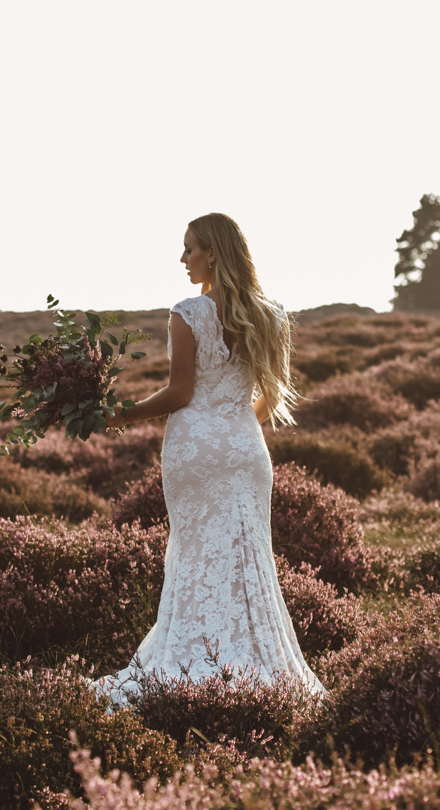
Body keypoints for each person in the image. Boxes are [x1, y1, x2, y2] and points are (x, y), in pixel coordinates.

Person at [95, 213, 325, 704]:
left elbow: (180, 392)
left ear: (213, 253)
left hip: (195, 449)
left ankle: (192, 671)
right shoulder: (273, 315)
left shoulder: (188, 311)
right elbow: (269, 398)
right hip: (245, 448)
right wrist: (235, 424)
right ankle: (261, 676)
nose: (183, 259)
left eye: (190, 249)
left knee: (195, 556)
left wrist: (124, 414)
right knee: (248, 560)